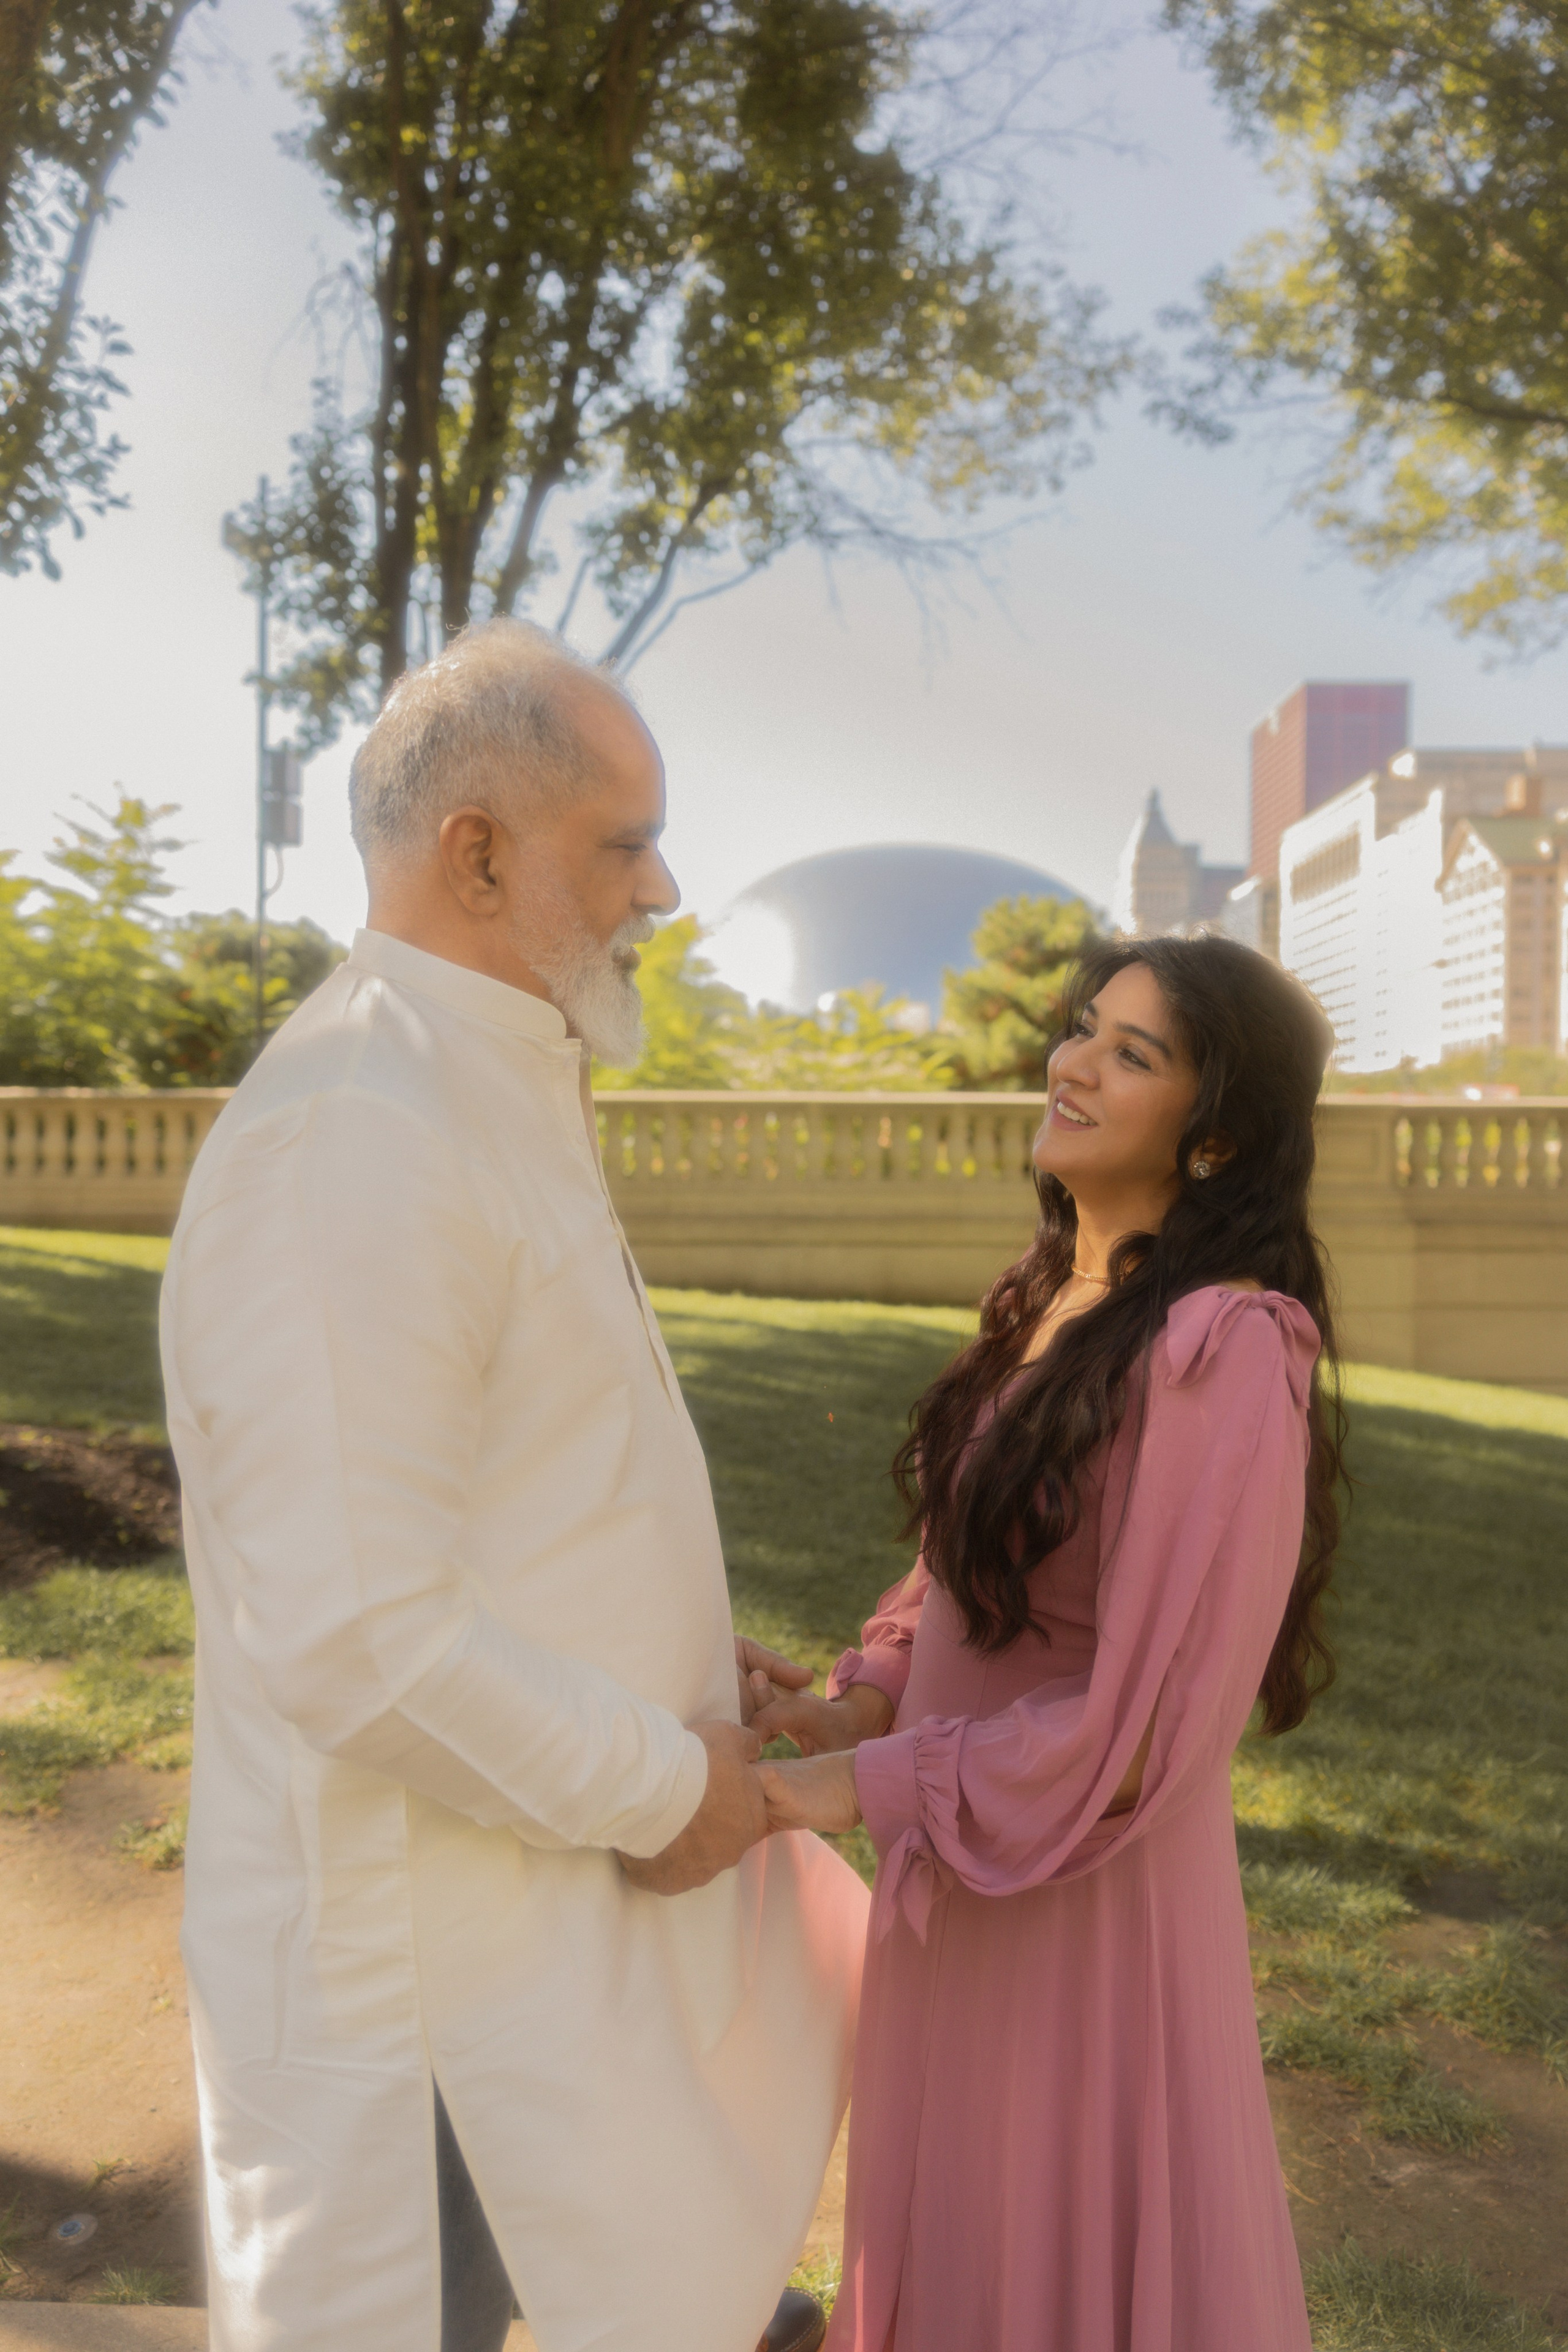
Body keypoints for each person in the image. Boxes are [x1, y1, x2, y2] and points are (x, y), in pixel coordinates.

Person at [159, 620, 868, 2352]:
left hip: (543, 1940)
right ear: (477, 849)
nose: (670, 887)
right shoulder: (360, 1127)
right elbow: (357, 1637)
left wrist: (686, 1664)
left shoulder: (475, 1079)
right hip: (430, 2009)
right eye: (625, 841)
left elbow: (519, 1493)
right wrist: (663, 1781)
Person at [755, 933, 1342, 2352]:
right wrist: (860, 1699)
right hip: (959, 1873)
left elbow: (1143, 1732)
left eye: (1131, 1053)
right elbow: (961, 1567)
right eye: (1083, 1029)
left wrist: (836, 1795)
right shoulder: (1058, 1302)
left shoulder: (1223, 1352)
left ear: (1218, 1135)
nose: (1071, 1061)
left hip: (1083, 1906)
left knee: (1047, 2270)